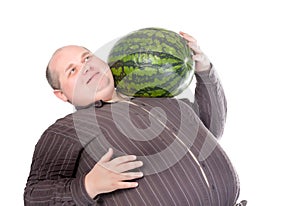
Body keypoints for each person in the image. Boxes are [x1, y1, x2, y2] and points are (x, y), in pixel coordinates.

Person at [24, 32, 245, 205]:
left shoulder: (160, 96)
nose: (85, 68)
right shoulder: (66, 129)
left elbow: (211, 130)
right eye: (72, 70)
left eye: (87, 58)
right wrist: (88, 186)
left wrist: (204, 70)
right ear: (61, 94)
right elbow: (33, 196)